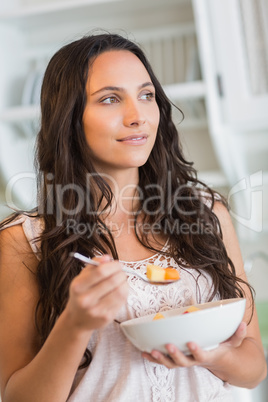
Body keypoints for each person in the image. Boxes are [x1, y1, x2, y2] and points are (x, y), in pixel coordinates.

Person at [0, 33, 266, 402]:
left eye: (146, 95)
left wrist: (215, 356)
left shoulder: (207, 214)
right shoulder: (23, 241)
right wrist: (74, 325)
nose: (137, 116)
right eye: (110, 99)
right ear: (69, 118)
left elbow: (254, 366)